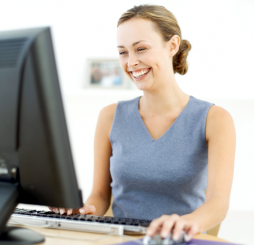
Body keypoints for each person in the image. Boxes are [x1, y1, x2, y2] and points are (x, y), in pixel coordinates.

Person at [50, 5, 236, 241]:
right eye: (123, 52)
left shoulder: (214, 119)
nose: (131, 62)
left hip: (177, 239)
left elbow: (218, 203)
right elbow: (99, 195)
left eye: (141, 49)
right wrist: (81, 211)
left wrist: (183, 223)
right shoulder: (110, 116)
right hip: (119, 239)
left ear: (172, 45)